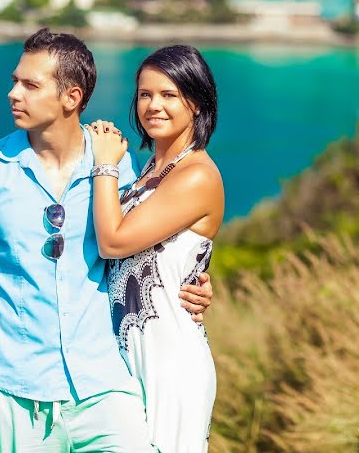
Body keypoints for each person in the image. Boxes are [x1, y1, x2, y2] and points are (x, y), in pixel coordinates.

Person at [0, 28, 214, 452]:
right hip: (14, 390)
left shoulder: (116, 165)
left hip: (107, 386)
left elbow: (140, 244)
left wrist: (195, 282)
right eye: (15, 81)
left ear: (71, 96)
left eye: (30, 85)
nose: (13, 93)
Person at [86, 44, 223, 453]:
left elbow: (113, 242)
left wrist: (104, 163)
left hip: (170, 360)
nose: (153, 106)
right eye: (145, 94)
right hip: (133, 354)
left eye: (168, 95)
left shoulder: (197, 174)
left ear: (195, 103)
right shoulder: (152, 170)